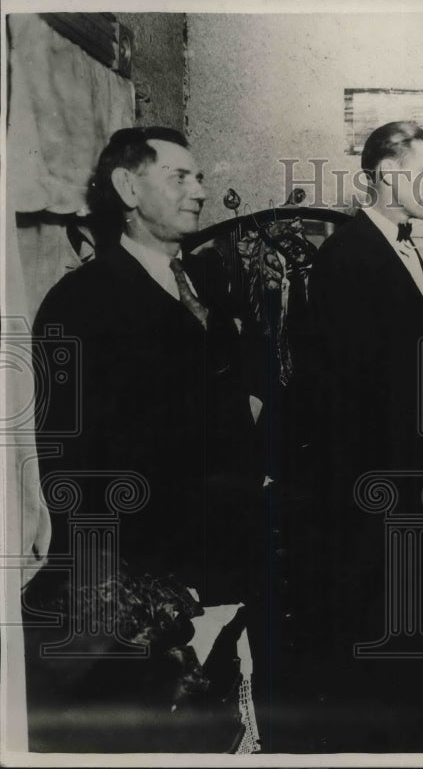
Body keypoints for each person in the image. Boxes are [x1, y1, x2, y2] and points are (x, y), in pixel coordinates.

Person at [27, 126, 265, 751]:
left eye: (201, 177)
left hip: (221, 557)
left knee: (221, 724)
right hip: (143, 577)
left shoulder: (207, 288)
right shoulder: (79, 302)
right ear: (128, 187)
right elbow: (66, 451)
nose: (201, 191)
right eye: (180, 177)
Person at [305, 122, 423, 686]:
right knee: (376, 621)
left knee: (407, 614)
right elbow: (345, 389)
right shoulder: (347, 256)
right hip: (378, 477)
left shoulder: (405, 245)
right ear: (388, 174)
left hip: (412, 469)